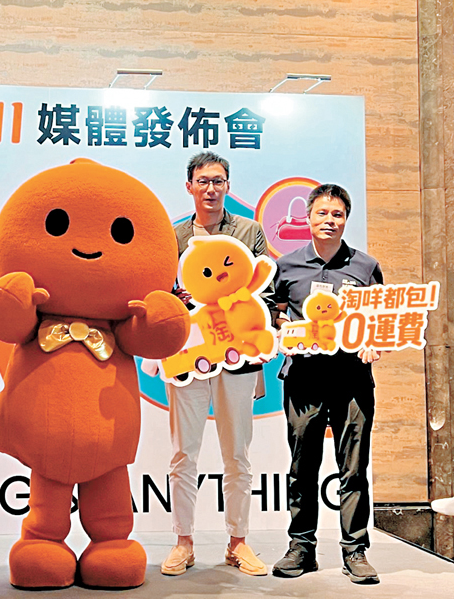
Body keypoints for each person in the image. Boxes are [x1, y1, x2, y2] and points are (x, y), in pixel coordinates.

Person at [160, 152, 272, 577]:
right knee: (183, 453)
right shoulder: (172, 236)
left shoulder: (249, 231)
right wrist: (177, 299)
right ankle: (183, 542)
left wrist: (228, 300)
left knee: (237, 454)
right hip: (188, 354)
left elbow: (265, 289)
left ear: (228, 185)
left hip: (237, 356)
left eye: (219, 181)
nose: (211, 188)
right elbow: (159, 291)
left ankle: (238, 542)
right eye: (203, 181)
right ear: (189, 186)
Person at [271, 183, 383, 585]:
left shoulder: (366, 267)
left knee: (353, 468)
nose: (329, 220)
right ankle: (301, 547)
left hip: (353, 380)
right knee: (302, 466)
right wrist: (282, 328)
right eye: (322, 213)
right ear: (308, 217)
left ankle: (355, 550)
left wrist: (374, 341)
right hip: (304, 378)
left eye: (337, 214)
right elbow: (272, 310)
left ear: (346, 220)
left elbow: (380, 317)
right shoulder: (286, 266)